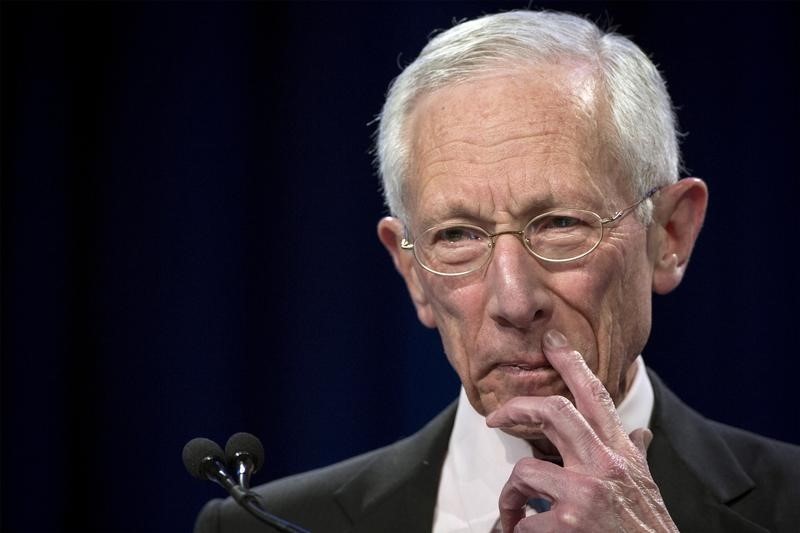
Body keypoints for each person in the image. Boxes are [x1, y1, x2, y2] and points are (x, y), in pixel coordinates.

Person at [195, 10, 800, 533]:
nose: (514, 300)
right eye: (457, 236)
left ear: (669, 235)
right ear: (411, 271)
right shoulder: (261, 524)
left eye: (560, 223)